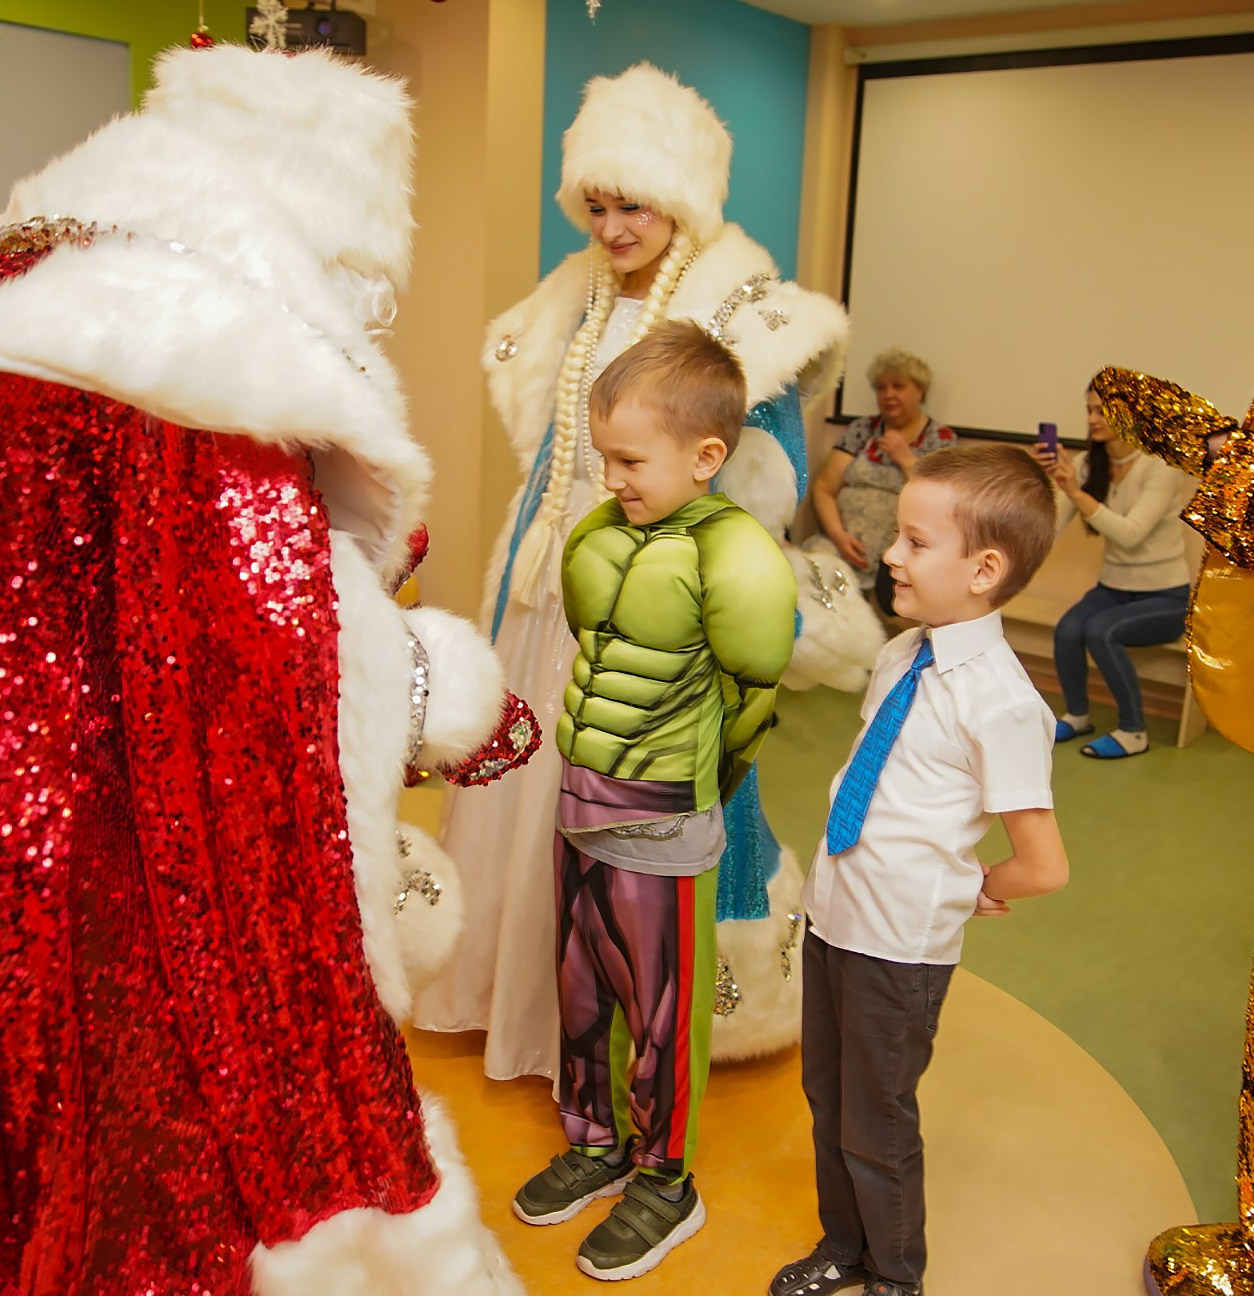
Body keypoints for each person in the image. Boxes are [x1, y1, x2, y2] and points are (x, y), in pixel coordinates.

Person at [0, 47, 530, 1295]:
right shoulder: (195, 351)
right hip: (13, 861)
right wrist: (426, 692)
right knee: (126, 1160)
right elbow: (257, 681)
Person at [416, 63, 848, 1077]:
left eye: (634, 207)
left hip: (650, 589)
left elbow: (765, 478)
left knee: (618, 792)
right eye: (597, 207)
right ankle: (507, 991)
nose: (611, 229)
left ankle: (610, 1023)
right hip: (547, 581)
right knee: (523, 781)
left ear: (680, 201)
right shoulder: (572, 301)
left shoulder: (740, 314)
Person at [512, 321, 797, 1281]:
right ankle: (593, 1145)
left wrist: (694, 790)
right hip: (578, 804)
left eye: (631, 460)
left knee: (661, 1016)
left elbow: (749, 701)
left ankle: (665, 1182)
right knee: (579, 993)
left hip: (661, 815)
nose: (612, 478)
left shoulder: (737, 556)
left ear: (705, 457)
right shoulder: (601, 534)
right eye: (605, 457)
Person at [774, 444, 1071, 1296]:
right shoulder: (904, 653)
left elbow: (1043, 864)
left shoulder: (1002, 702)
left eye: (913, 541)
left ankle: (895, 1276)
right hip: (835, 915)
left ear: (983, 570)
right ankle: (844, 1245)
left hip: (898, 948)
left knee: (876, 1123)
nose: (890, 553)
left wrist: (974, 886)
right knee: (828, 1099)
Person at [1037, 385, 1199, 759]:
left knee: (1101, 631)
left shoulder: (1160, 465)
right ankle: (1078, 716)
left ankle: (1133, 730)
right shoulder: (1084, 465)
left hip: (1166, 597)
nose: (1093, 419)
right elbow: (1047, 528)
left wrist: (1076, 493)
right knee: (1068, 629)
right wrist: (1044, 480)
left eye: (1103, 411)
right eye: (1090, 410)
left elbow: (1131, 534)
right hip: (1112, 589)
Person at [808, 349, 957, 616]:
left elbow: (943, 503)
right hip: (840, 545)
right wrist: (839, 536)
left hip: (896, 557)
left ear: (920, 391)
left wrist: (906, 459)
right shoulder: (862, 430)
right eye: (881, 387)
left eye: (898, 386)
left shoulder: (940, 438)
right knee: (811, 582)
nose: (888, 394)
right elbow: (824, 488)